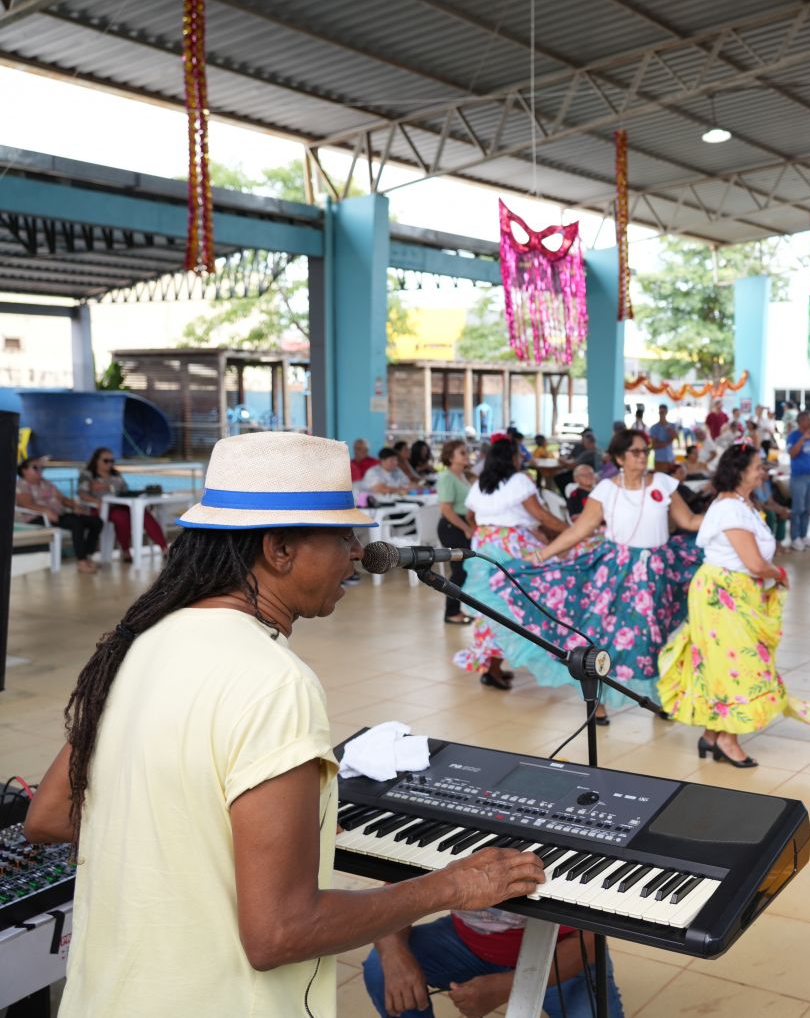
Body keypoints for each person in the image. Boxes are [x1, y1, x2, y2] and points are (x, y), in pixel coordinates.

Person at [21, 432, 546, 1017]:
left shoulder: (141, 643)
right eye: (341, 536)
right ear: (279, 549)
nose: (355, 553)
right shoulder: (275, 683)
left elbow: (47, 816)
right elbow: (280, 933)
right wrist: (450, 886)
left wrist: (206, 842)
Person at [493, 429, 705, 721]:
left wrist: (725, 514)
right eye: (636, 451)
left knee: (655, 637)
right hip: (614, 571)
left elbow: (689, 520)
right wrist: (540, 555)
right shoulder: (607, 489)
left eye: (646, 450)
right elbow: (580, 530)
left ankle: (661, 699)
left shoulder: (664, 483)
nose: (643, 456)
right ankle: (597, 702)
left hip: (656, 573)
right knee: (600, 636)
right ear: (619, 457)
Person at [656, 443, 810, 766]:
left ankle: (711, 733)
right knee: (738, 664)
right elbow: (755, 563)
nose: (763, 471)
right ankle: (727, 739)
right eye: (758, 466)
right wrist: (778, 573)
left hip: (735, 589)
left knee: (720, 662)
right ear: (740, 472)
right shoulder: (731, 508)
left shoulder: (743, 504)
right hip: (722, 592)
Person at [454, 438, 568, 690]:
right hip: (512, 548)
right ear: (512, 457)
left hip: (484, 548)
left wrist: (478, 531)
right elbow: (540, 514)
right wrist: (571, 530)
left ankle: (493, 667)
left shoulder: (482, 482)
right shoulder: (519, 480)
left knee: (492, 610)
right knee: (527, 604)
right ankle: (535, 655)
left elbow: (470, 514)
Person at [364, 916, 620, 1018]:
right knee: (381, 969)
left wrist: (504, 987)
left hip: (557, 955)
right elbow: (393, 895)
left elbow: (587, 940)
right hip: (467, 942)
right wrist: (393, 953)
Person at [77, 447, 168, 562]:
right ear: (96, 460)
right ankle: (125, 551)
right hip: (101, 508)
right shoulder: (88, 475)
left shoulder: (116, 474)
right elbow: (81, 493)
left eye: (112, 461)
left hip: (121, 505)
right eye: (106, 460)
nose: (109, 463)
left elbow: (125, 491)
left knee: (143, 514)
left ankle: (164, 548)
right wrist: (96, 501)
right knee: (121, 517)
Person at [16, 456, 103, 571]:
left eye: (42, 468)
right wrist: (46, 511)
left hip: (58, 514)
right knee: (76, 523)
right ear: (24, 470)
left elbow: (62, 499)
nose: (40, 470)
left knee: (96, 521)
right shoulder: (21, 485)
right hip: (37, 517)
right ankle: (81, 561)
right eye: (35, 467)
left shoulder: (46, 483)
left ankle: (86, 555)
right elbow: (26, 504)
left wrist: (74, 506)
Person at [432, 439, 478, 627]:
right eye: (462, 453)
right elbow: (446, 509)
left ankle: (456, 610)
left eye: (467, 452)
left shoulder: (463, 476)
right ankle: (451, 612)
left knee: (464, 572)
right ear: (451, 457)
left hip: (462, 525)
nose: (467, 455)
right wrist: (466, 528)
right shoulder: (447, 478)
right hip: (452, 527)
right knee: (458, 572)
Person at [787, 410, 810, 549]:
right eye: (808, 420)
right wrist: (803, 438)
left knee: (808, 508)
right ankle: (795, 537)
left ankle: (804, 535)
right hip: (798, 476)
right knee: (798, 508)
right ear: (800, 422)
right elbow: (792, 454)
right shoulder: (793, 436)